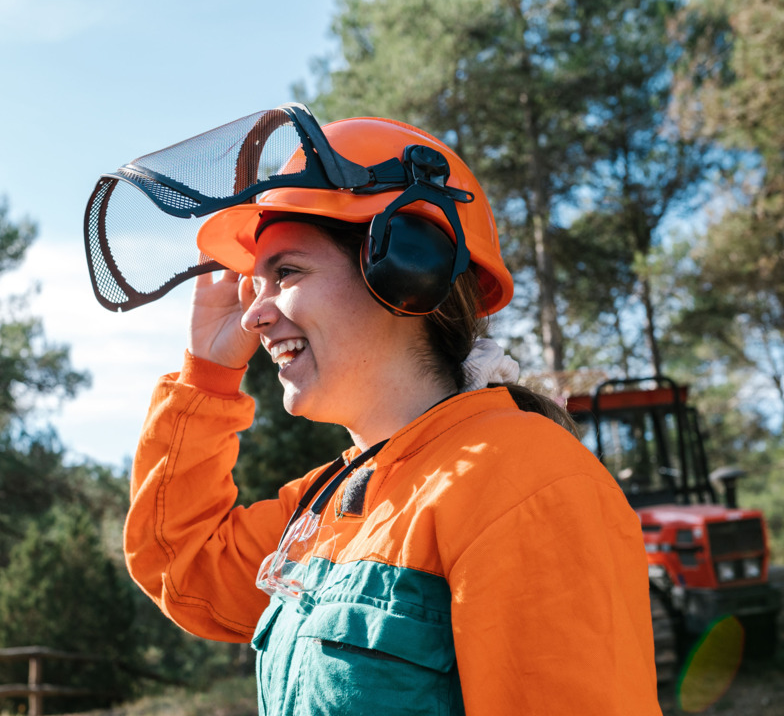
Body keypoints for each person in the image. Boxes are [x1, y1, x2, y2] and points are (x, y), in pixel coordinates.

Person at [123, 116, 660, 715]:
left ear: (407, 270)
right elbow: (185, 565)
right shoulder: (332, 499)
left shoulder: (527, 482)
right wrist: (207, 374)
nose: (254, 315)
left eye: (287, 273)